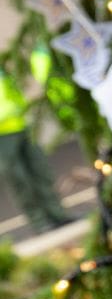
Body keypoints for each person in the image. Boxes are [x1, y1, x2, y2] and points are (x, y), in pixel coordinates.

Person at [0, 69, 70, 232]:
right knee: (19, 180)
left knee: (41, 171)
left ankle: (58, 214)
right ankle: (39, 222)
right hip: (3, 133)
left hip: (23, 122)